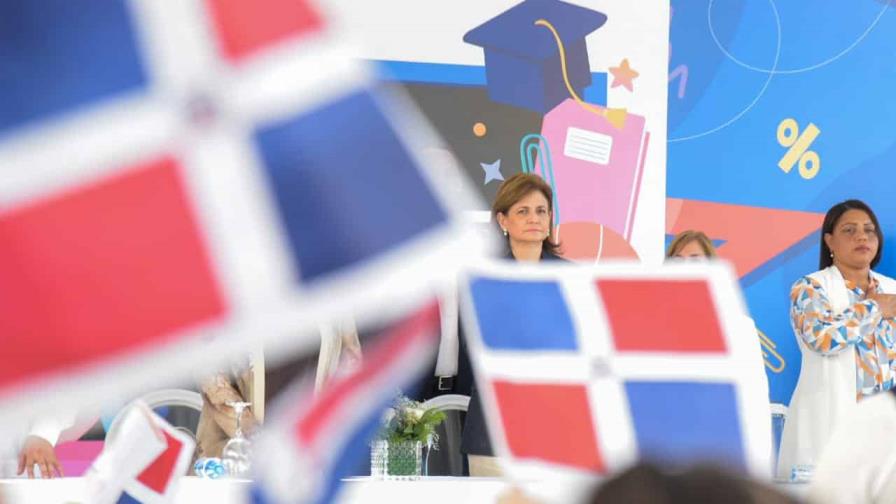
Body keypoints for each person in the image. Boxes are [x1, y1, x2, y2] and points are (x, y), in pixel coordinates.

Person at [777, 199, 896, 480]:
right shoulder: (809, 288)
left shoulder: (892, 289)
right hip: (829, 425)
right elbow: (824, 339)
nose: (862, 236)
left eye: (869, 230)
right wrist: (875, 308)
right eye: (849, 230)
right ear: (829, 241)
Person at [462, 173, 565, 477]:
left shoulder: (570, 277)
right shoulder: (484, 275)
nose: (534, 218)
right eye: (523, 211)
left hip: (558, 431)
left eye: (541, 211)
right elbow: (476, 344)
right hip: (493, 432)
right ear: (503, 221)